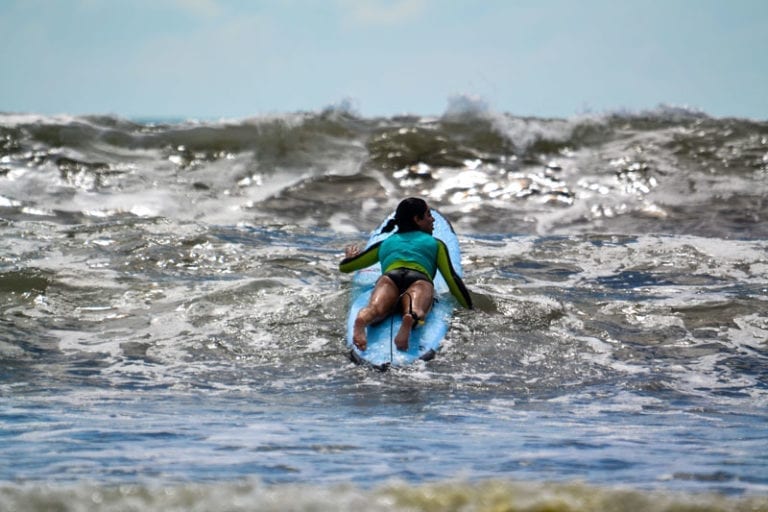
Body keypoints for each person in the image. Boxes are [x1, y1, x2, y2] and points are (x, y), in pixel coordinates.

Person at [339, 197, 473, 352]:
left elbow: (347, 267)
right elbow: (452, 279)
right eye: (428, 215)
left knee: (375, 308)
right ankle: (409, 319)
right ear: (417, 219)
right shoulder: (435, 243)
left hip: (390, 278)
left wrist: (350, 258)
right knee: (416, 309)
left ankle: (363, 319)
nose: (433, 219)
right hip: (419, 280)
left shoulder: (386, 243)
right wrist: (469, 308)